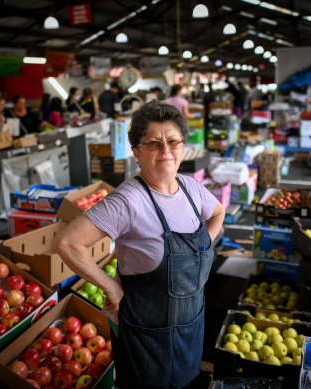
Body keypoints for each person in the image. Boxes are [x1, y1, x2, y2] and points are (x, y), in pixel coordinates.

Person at [53, 100, 225, 389]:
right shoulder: (128, 201)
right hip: (147, 339)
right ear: (137, 152)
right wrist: (110, 286)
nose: (166, 151)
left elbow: (218, 212)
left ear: (183, 146)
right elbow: (67, 243)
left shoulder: (192, 188)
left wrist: (204, 243)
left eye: (173, 141)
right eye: (154, 143)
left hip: (191, 326)